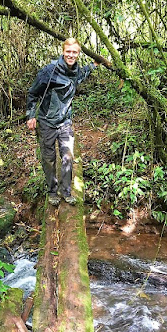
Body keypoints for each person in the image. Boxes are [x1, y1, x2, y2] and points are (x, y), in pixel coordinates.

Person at [26, 38, 99, 206]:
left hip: (65, 122)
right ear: (63, 51)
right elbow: (33, 93)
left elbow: (80, 76)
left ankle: (66, 192)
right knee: (49, 159)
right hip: (46, 122)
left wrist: (94, 65)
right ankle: (52, 192)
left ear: (78, 53)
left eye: (74, 52)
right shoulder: (49, 71)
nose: (71, 55)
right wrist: (31, 116)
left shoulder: (75, 70)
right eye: (68, 52)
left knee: (67, 157)